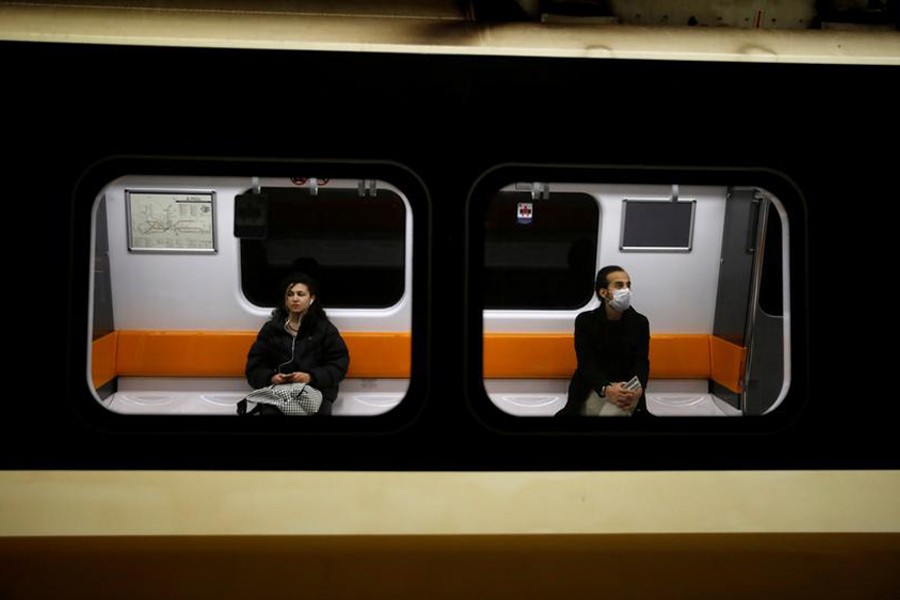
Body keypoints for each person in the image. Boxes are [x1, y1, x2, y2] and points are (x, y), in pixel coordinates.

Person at [245, 272, 350, 415]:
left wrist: (311, 376)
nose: (295, 299)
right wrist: (271, 378)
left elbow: (339, 364)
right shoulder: (271, 329)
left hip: (316, 391)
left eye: (300, 294)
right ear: (285, 300)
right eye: (290, 294)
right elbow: (255, 365)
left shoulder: (324, 329)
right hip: (280, 391)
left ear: (311, 299)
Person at [556, 265, 650, 417]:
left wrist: (636, 390)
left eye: (628, 285)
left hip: (628, 387)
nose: (626, 290)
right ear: (603, 292)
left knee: (614, 413)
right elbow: (586, 364)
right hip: (593, 386)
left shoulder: (640, 322)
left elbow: (641, 362)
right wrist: (607, 388)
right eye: (619, 285)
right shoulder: (585, 321)